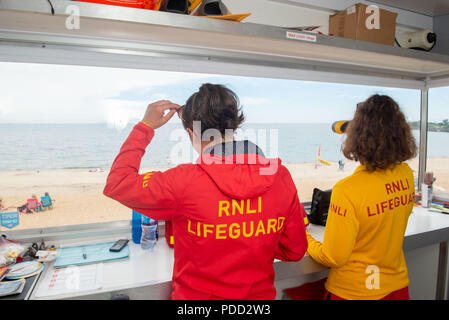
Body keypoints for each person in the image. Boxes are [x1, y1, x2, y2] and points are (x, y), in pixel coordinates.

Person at [104, 83, 308, 299]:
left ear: (191, 132)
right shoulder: (280, 176)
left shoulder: (184, 182)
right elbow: (294, 250)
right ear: (234, 127)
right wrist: (252, 239)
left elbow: (118, 183)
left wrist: (145, 127)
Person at [306, 94, 417, 300]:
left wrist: (307, 239)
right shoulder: (406, 175)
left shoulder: (347, 190)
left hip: (354, 292)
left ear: (356, 138)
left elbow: (333, 257)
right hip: (396, 288)